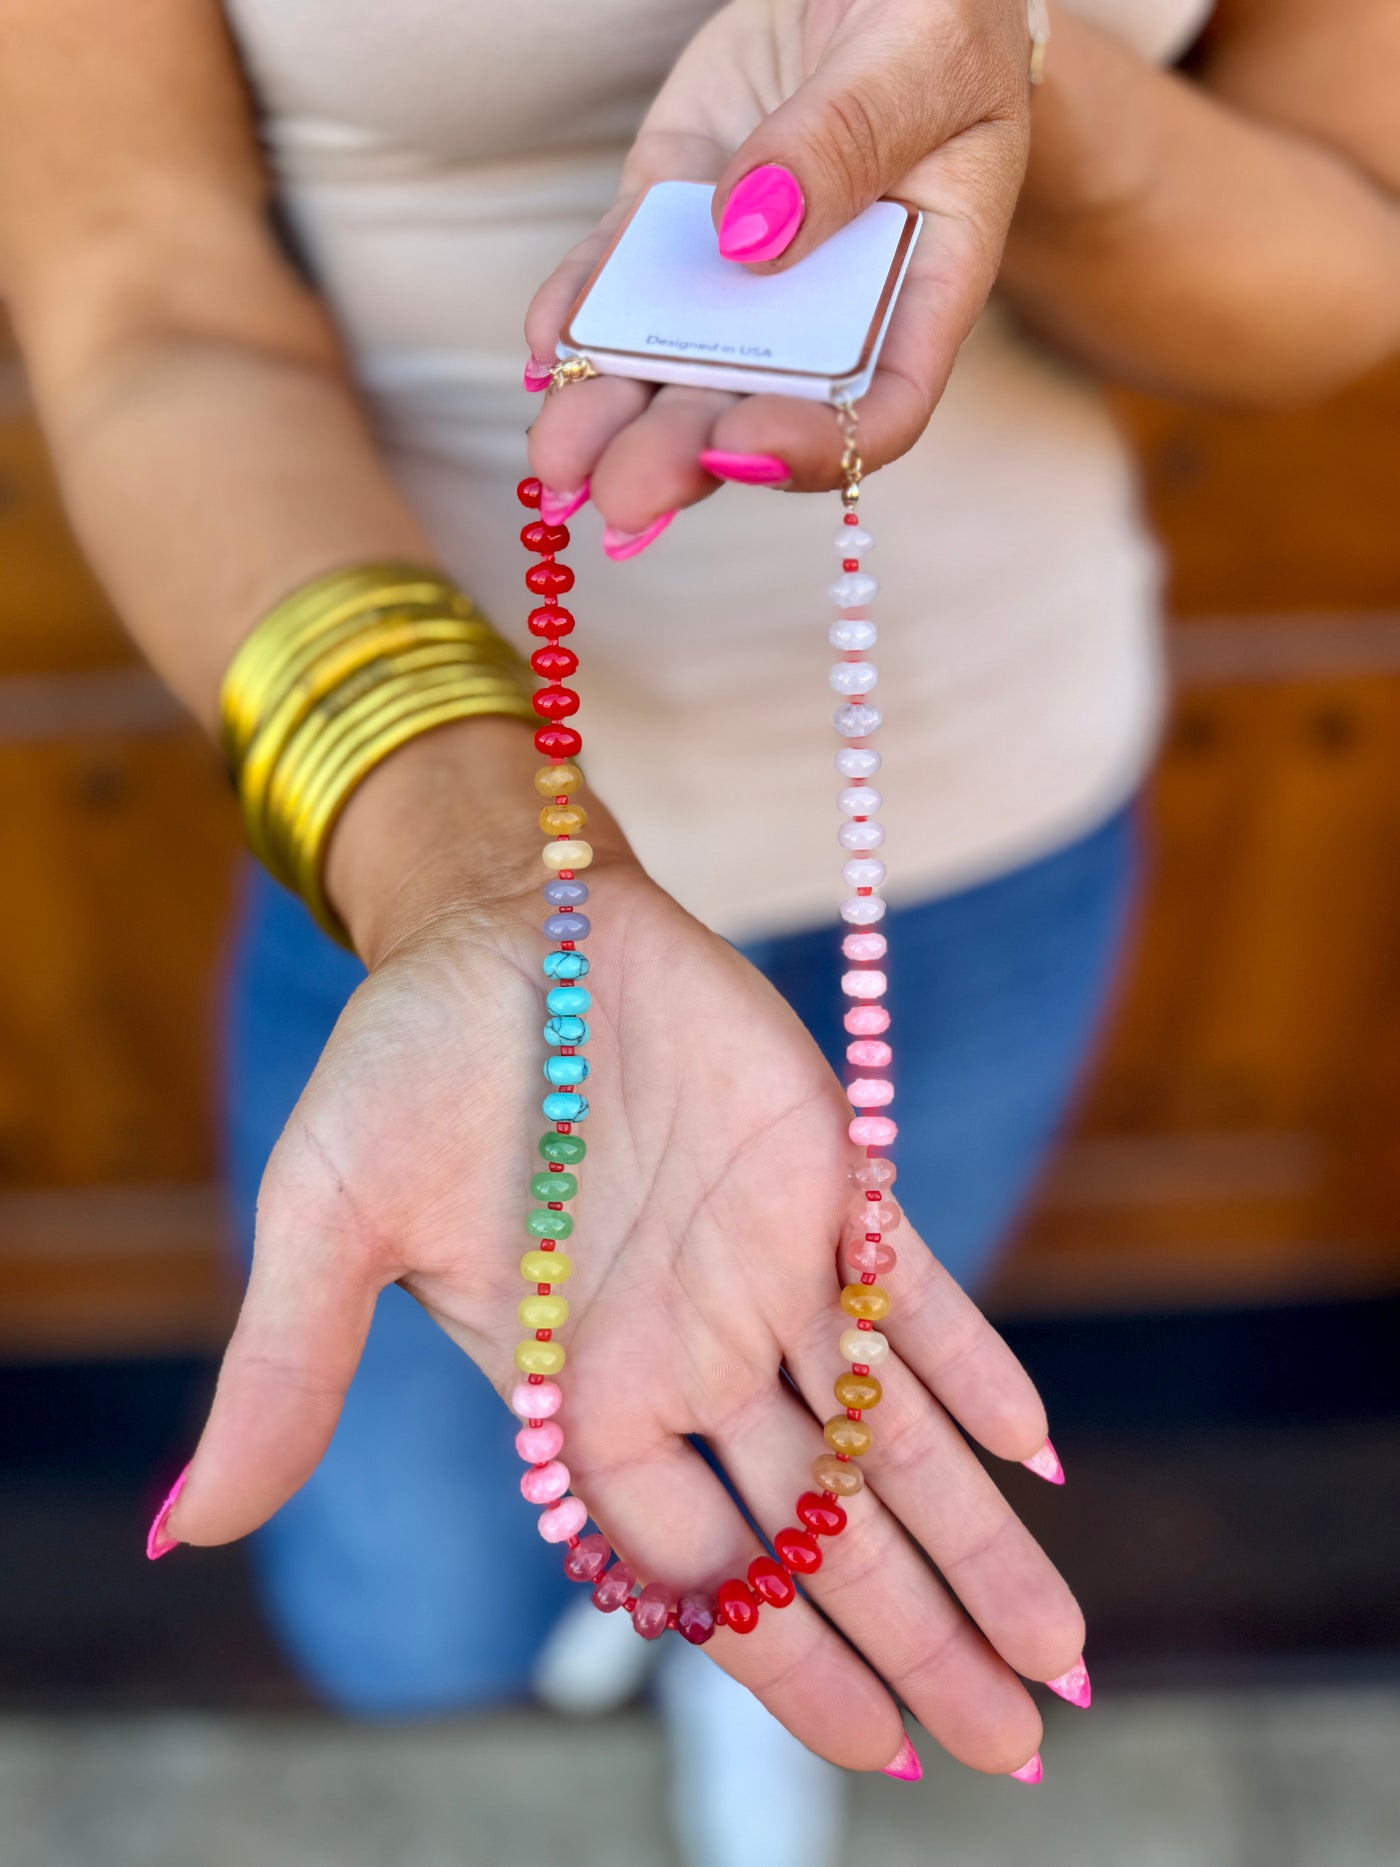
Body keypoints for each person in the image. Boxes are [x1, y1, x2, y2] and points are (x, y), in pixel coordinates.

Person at [2, 0, 1397, 1861]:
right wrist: (470, 880)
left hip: (986, 816)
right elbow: (136, 296)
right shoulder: (447, 900)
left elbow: (1342, 249)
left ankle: (702, 1658)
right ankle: (636, 1638)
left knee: (797, 1425)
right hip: (421, 881)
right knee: (408, 1613)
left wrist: (1025, 65)